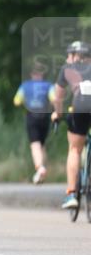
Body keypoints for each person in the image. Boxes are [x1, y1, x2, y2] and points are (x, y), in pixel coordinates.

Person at [52, 41, 91, 209]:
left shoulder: (68, 69)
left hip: (80, 107)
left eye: (69, 55)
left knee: (75, 149)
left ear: (75, 56)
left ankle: (71, 194)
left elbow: (58, 96)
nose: (68, 58)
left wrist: (57, 114)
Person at [15, 63, 55, 184]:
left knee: (35, 144)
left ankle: (40, 167)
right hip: (44, 117)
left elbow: (16, 101)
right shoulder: (48, 85)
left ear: (32, 74)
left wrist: (26, 104)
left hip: (31, 116)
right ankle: (41, 174)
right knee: (42, 145)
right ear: (42, 73)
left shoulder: (25, 86)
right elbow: (54, 99)